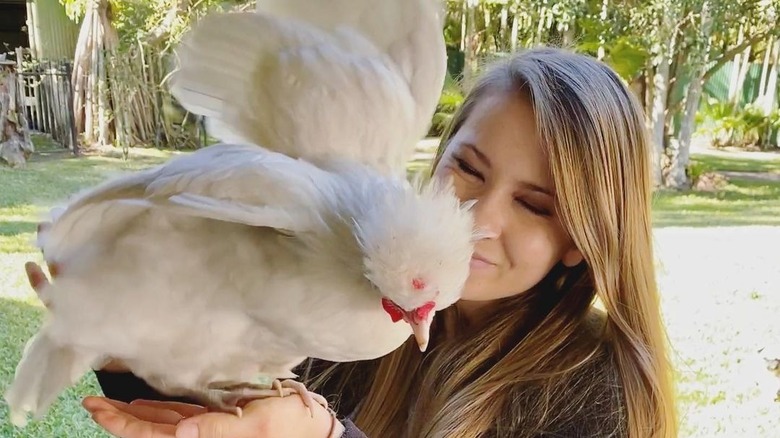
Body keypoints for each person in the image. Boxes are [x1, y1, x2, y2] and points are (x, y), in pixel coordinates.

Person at [25, 47, 678, 437]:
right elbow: (240, 417)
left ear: (581, 241)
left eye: (535, 205)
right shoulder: (348, 291)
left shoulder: (596, 393)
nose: (479, 217)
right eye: (467, 169)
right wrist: (126, 351)